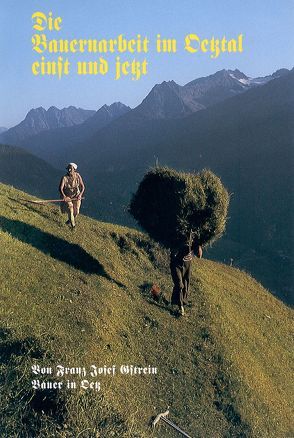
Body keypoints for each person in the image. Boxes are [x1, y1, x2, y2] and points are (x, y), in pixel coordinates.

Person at [170, 237, 202, 316]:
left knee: (186, 286)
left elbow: (199, 255)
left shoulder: (194, 241)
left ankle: (176, 303)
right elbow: (173, 253)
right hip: (176, 264)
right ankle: (181, 308)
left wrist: (198, 246)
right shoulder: (178, 239)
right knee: (179, 284)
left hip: (187, 266)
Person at [59, 163, 85, 228]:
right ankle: (73, 226)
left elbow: (83, 187)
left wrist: (80, 195)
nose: (69, 170)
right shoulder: (64, 178)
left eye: (71, 168)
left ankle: (69, 220)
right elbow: (60, 188)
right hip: (68, 197)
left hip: (76, 196)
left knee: (76, 212)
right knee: (70, 208)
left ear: (74, 169)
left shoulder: (78, 176)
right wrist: (64, 196)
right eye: (68, 168)